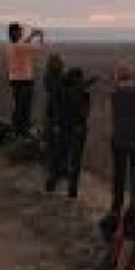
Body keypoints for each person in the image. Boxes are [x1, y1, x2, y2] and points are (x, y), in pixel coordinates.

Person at [45, 67, 95, 198]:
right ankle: (72, 191)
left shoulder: (60, 90)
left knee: (58, 157)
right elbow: (84, 113)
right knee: (75, 162)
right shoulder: (81, 93)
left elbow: (53, 109)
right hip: (77, 131)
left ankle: (50, 184)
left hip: (62, 129)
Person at [109, 61, 135, 214]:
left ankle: (116, 207)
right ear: (131, 75)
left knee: (119, 175)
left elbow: (112, 116)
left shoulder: (113, 94)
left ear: (118, 76)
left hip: (118, 138)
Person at [5, 22, 44, 138]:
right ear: (14, 32)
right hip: (24, 80)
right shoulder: (20, 47)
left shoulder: (11, 46)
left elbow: (23, 45)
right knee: (24, 107)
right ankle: (21, 130)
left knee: (19, 105)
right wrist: (39, 36)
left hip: (15, 80)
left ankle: (18, 129)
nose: (21, 33)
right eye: (19, 31)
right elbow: (39, 47)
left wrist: (31, 36)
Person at [43, 53, 65, 167]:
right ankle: (57, 164)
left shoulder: (48, 77)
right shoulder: (58, 77)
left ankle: (51, 162)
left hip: (52, 110)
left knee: (51, 137)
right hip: (58, 111)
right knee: (58, 139)